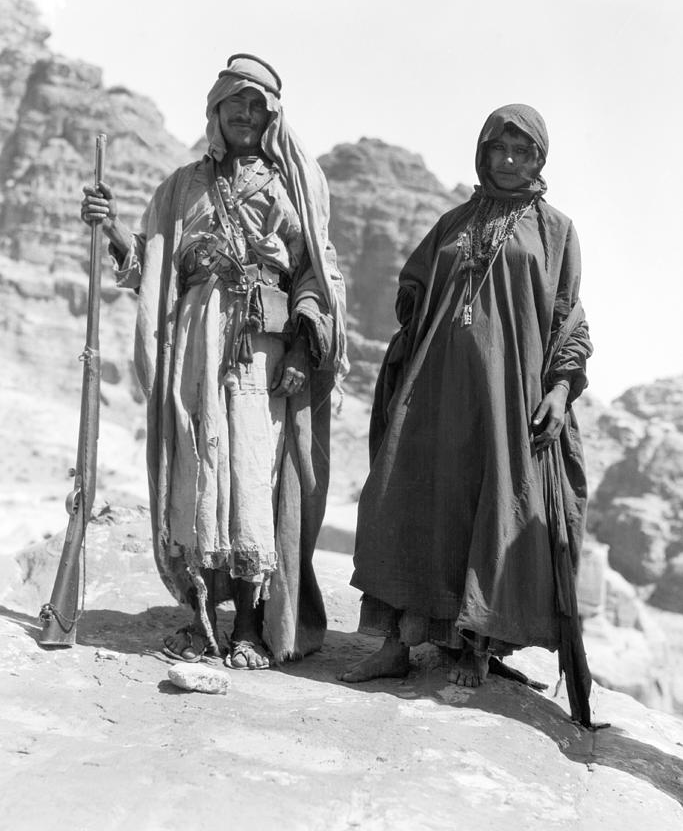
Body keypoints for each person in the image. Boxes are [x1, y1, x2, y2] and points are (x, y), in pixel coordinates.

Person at [81, 54, 346, 670]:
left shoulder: (295, 187)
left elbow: (317, 273)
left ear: (273, 115)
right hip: (196, 336)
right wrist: (114, 229)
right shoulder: (181, 186)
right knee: (200, 466)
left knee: (253, 473)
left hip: (262, 343)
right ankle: (202, 620)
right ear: (217, 113)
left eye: (257, 106)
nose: (246, 116)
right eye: (236, 106)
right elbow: (152, 266)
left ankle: (251, 626)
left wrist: (306, 350)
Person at [340, 104, 595, 726]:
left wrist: (559, 391)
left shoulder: (556, 230)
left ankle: (474, 644)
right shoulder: (453, 220)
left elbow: (569, 319)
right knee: (405, 494)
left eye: (522, 152)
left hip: (506, 397)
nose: (508, 162)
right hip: (435, 388)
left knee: (493, 506)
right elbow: (416, 287)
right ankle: (395, 644)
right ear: (483, 153)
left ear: (540, 159)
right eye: (499, 150)